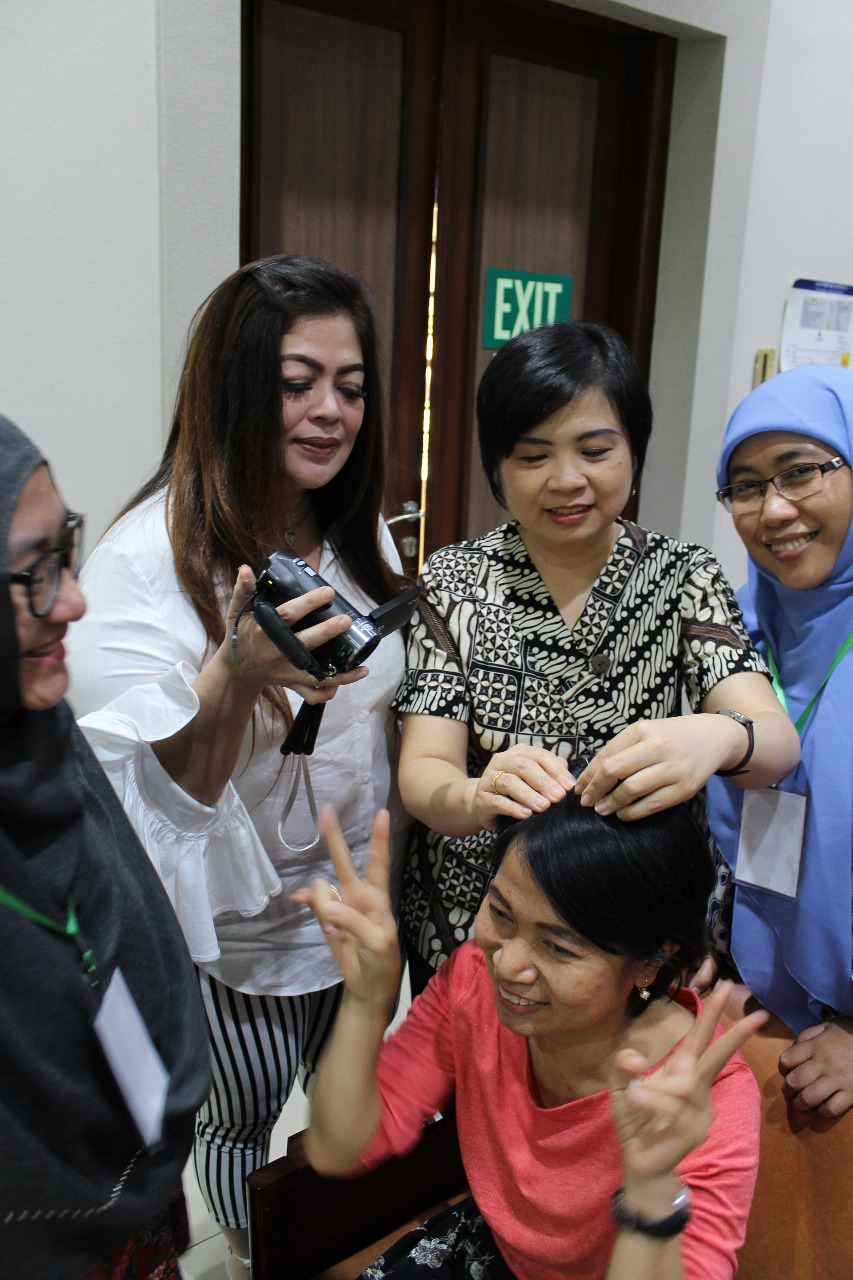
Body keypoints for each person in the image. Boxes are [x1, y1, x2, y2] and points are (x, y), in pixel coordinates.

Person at [65, 255, 409, 1276]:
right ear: (234, 387)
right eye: (297, 382)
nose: (329, 411)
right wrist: (234, 674)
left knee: (351, 1116)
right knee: (240, 1123)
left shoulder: (356, 532)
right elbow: (139, 820)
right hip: (236, 930)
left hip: (353, 903)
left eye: (350, 386)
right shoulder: (143, 563)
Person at [394, 321, 800, 991]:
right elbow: (423, 772)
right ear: (495, 467)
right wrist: (475, 793)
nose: (566, 479)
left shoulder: (683, 576)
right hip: (479, 928)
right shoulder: (455, 580)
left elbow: (776, 743)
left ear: (633, 452)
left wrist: (717, 735)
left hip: (628, 935)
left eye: (594, 450)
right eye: (532, 456)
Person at [295, 795, 767, 1280]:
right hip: (489, 1254)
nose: (507, 965)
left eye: (558, 947)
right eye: (501, 914)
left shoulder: (704, 1099)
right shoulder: (473, 983)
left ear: (649, 962)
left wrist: (650, 1191)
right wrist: (366, 1000)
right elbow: (338, 1148)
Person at [0, 414, 210, 1279]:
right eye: (32, 573)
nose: (73, 602)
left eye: (66, 550)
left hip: (129, 1208)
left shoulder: (39, 737)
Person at [705, 364, 853, 1118]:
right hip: (739, 1014)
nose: (774, 510)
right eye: (745, 486)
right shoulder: (733, 629)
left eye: (800, 472)